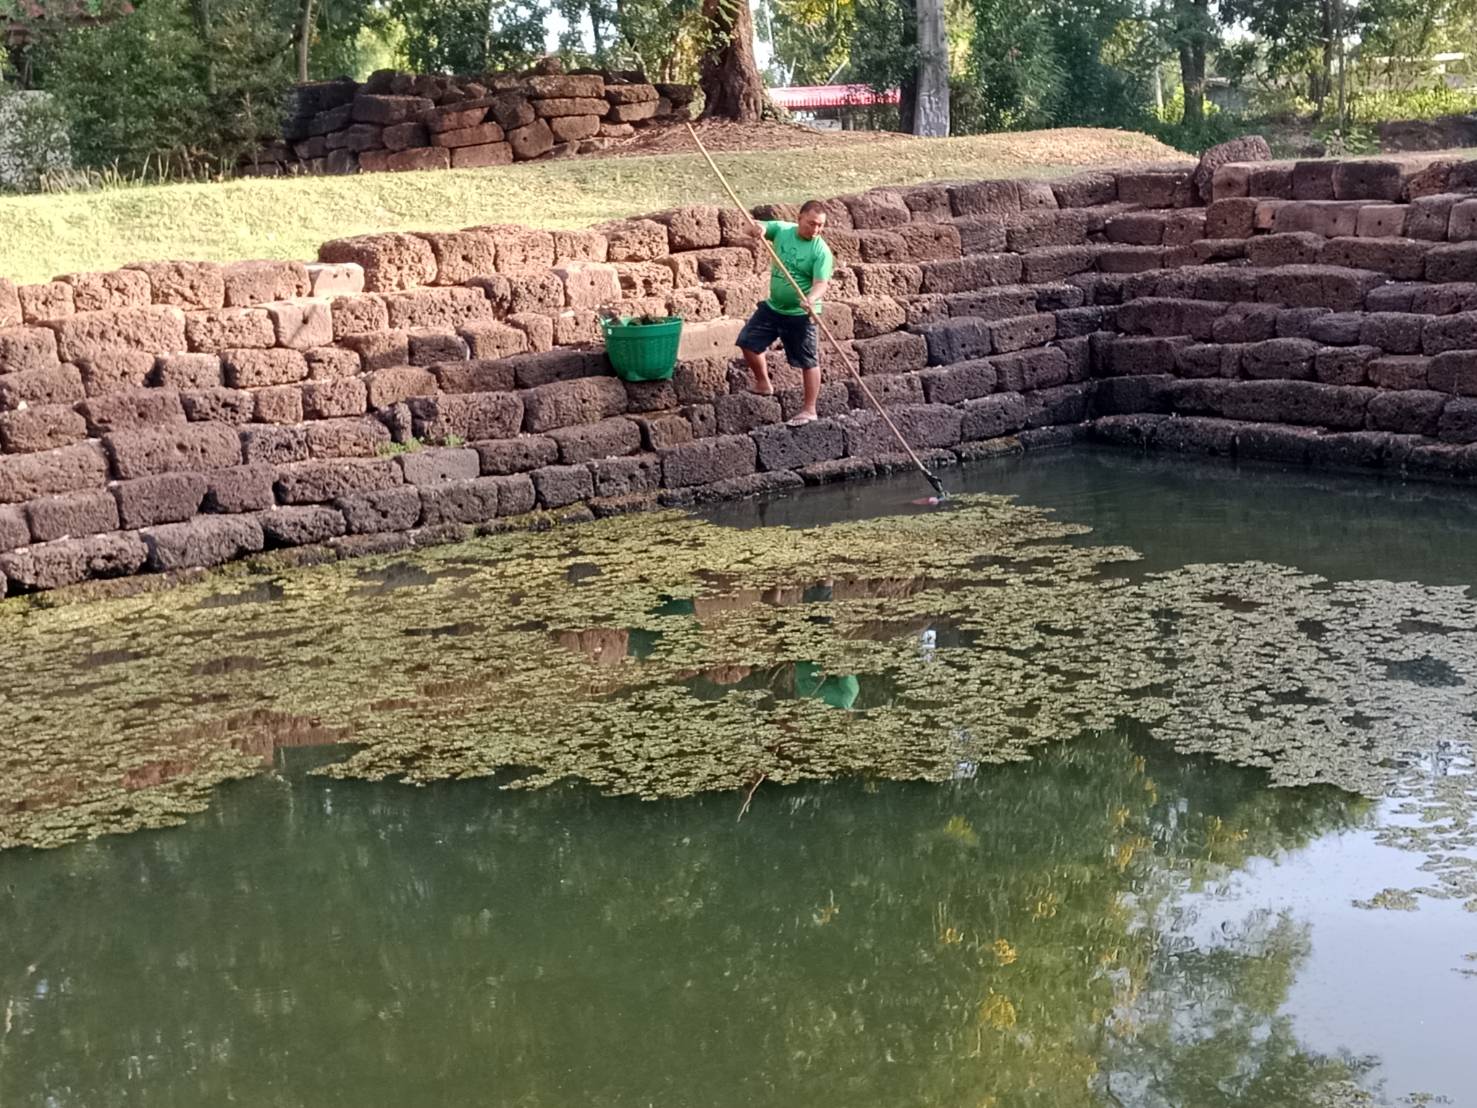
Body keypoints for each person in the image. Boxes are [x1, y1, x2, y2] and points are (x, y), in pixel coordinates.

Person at [735, 200, 835, 425]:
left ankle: (809, 409)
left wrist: (811, 298)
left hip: (801, 314)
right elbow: (749, 227)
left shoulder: (821, 251)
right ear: (799, 218)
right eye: (811, 224)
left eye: (820, 226)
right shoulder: (782, 230)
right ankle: (763, 384)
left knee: (808, 360)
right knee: (747, 342)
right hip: (774, 307)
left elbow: (822, 283)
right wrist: (757, 229)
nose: (816, 230)